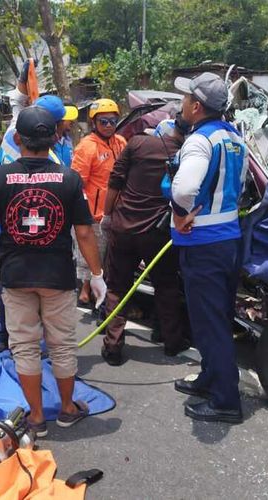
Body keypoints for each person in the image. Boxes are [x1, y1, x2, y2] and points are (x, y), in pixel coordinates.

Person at [0, 106, 106, 437]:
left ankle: (37, 418)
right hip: (57, 276)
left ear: (17, 139)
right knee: (62, 344)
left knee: (25, 346)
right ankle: (68, 408)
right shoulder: (68, 179)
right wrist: (97, 275)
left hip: (16, 277)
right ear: (55, 138)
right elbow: (84, 233)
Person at [169, 72, 248, 424]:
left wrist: (181, 212)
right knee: (217, 317)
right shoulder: (234, 137)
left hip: (202, 244)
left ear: (197, 107)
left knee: (210, 322)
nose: (181, 104)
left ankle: (225, 401)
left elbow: (184, 188)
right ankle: (209, 378)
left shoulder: (200, 140)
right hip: (229, 239)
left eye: (185, 98)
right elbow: (241, 186)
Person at [0, 59, 78, 351]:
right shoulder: (45, 155)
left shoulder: (19, 131)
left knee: (14, 280)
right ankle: (19, 338)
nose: (69, 123)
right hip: (28, 221)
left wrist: (23, 78)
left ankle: (13, 335)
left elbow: (18, 101)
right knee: (24, 283)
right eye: (64, 120)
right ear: (51, 126)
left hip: (18, 218)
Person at [99, 114, 191, 366]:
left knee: (118, 287)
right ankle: (171, 341)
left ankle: (113, 347)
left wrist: (107, 216)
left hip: (124, 228)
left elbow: (115, 181)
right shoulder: (187, 153)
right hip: (158, 233)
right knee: (166, 287)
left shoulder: (137, 143)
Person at [71, 98, 126, 307]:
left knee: (110, 257)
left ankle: (99, 292)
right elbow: (78, 183)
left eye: (113, 121)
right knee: (92, 254)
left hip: (117, 211)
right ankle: (85, 290)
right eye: (104, 121)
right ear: (94, 123)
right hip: (95, 212)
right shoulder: (86, 147)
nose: (109, 125)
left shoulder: (120, 142)